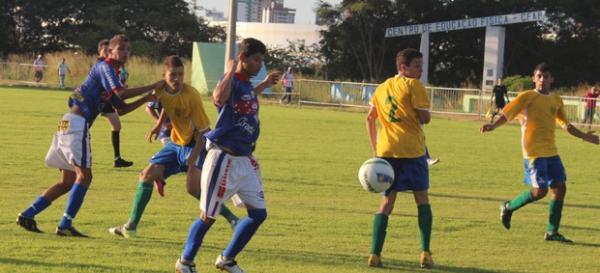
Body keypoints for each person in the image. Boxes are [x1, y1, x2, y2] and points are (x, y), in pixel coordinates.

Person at [16, 34, 163, 237]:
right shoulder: (106, 67)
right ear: (110, 51)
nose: (125, 52)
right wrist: (154, 85)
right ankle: (65, 225)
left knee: (68, 181)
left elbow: (120, 109)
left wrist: (147, 98)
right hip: (77, 124)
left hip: (68, 123)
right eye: (120, 48)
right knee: (85, 176)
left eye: (128, 49)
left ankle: (28, 214)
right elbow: (120, 93)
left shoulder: (112, 74)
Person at [175, 38, 279, 273]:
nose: (259, 64)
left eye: (261, 60)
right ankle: (185, 262)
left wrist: (262, 84)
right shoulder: (231, 80)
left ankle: (227, 259)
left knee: (258, 214)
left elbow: (245, 98)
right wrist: (231, 69)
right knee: (208, 216)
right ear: (243, 59)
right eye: (256, 60)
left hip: (244, 160)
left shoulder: (245, 85)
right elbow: (219, 97)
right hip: (223, 158)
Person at [480, 63, 599, 243]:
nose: (542, 80)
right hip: (533, 152)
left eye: (546, 76)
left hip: (551, 151)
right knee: (540, 191)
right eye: (539, 76)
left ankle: (552, 232)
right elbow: (507, 113)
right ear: (534, 78)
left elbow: (565, 124)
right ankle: (508, 207)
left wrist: (584, 136)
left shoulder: (556, 100)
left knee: (560, 187)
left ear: (552, 79)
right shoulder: (527, 97)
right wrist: (493, 126)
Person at [366, 48, 434, 269]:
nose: (420, 70)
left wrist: (375, 148)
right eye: (416, 66)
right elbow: (425, 117)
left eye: (421, 66)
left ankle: (375, 254)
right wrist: (421, 114)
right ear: (403, 68)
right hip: (412, 151)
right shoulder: (414, 85)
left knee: (387, 202)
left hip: (386, 152)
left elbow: (370, 118)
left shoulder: (382, 88)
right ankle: (425, 252)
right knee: (422, 199)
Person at [97, 39, 134, 168]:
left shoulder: (114, 67)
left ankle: (117, 158)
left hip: (107, 99)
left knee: (117, 126)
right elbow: (118, 91)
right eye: (105, 50)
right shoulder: (102, 66)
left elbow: (118, 91)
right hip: (98, 99)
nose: (107, 52)